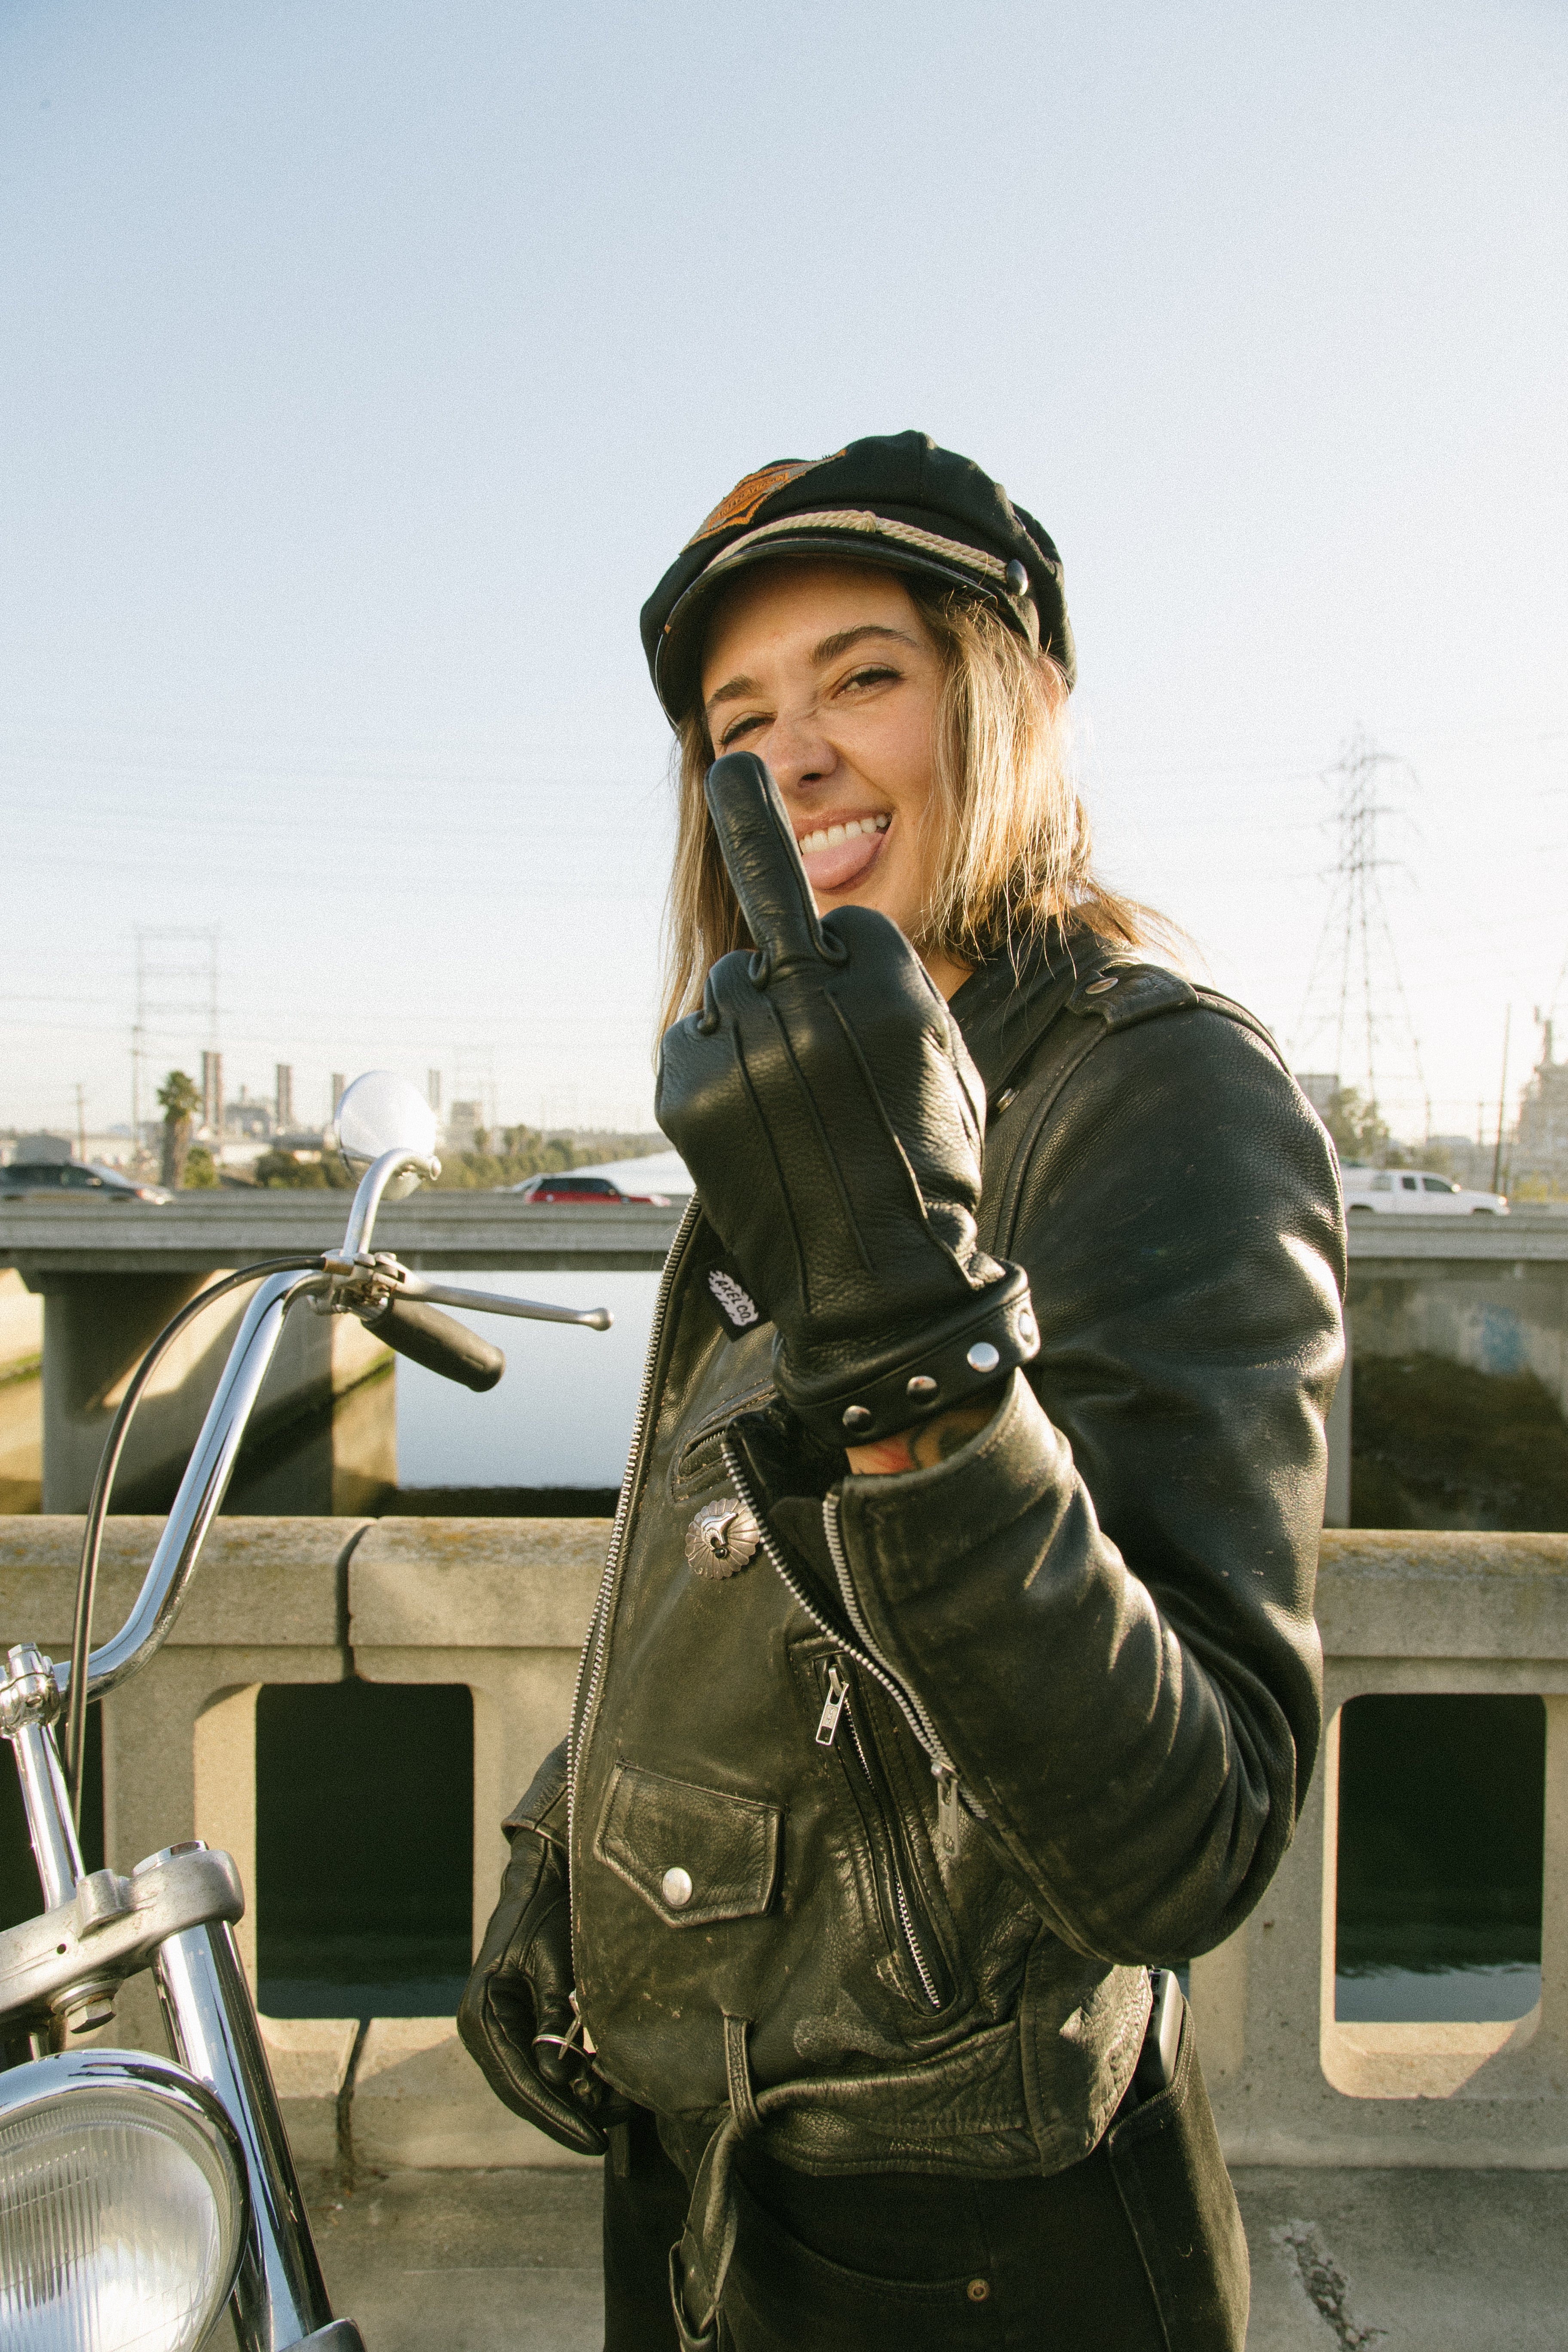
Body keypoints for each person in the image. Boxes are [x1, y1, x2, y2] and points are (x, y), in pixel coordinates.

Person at [460, 432, 1345, 2350]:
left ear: (1007, 701)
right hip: (728, 2170)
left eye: (864, 675)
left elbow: (1189, 1833)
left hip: (973, 2240)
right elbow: (726, 1570)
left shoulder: (1156, 1091)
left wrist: (913, 1351)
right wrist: (573, 1859)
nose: (789, 754)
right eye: (737, 718)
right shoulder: (829, 1076)